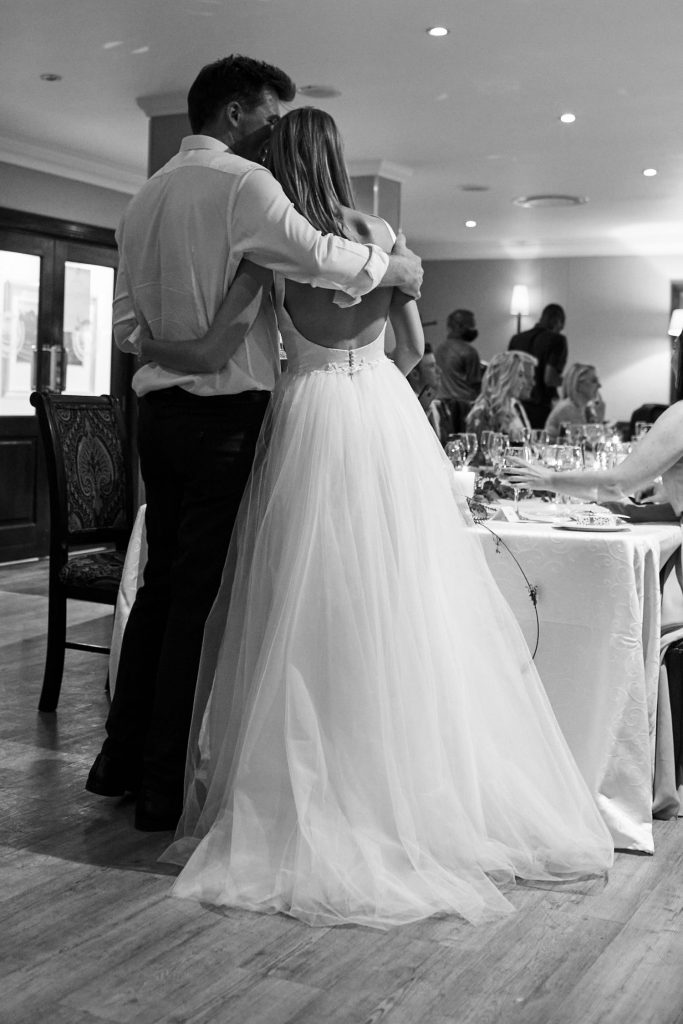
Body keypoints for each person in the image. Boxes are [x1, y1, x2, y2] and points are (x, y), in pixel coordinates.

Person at [141, 107, 612, 929]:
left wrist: (162, 350)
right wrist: (365, 359)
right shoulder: (385, 238)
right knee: (398, 598)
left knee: (299, 599)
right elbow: (411, 352)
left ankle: (308, 778)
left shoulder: (273, 250)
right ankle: (400, 774)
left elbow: (227, 343)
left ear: (280, 163)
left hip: (307, 413)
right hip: (381, 416)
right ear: (338, 159)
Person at [85, 55, 423, 832]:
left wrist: (160, 354)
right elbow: (320, 257)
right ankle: (162, 786)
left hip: (158, 418)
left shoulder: (141, 200)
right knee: (196, 601)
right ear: (235, 113)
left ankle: (119, 760)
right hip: (225, 420)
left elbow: (129, 325)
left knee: (161, 589)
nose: (271, 136)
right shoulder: (246, 186)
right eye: (266, 118)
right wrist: (394, 266)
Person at [508, 336, 683, 511]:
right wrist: (667, 493)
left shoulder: (679, 415)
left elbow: (614, 485)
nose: (671, 358)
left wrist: (548, 479)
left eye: (675, 347)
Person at [509, 303, 568, 428]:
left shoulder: (516, 339)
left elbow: (510, 373)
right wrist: (569, 380)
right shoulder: (557, 340)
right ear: (558, 322)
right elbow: (549, 379)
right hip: (542, 405)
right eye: (561, 326)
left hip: (517, 404)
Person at [465, 351, 536, 448]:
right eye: (520, 375)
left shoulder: (514, 408)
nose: (523, 381)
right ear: (506, 376)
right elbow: (481, 453)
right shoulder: (482, 411)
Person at [407, 343, 454, 445]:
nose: (439, 371)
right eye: (432, 366)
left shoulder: (438, 406)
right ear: (415, 374)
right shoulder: (407, 410)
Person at [544, 363, 605, 440]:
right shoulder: (567, 409)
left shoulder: (583, 408)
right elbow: (586, 442)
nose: (599, 385)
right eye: (594, 381)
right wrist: (599, 420)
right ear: (578, 385)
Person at [435, 309, 483, 405]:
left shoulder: (439, 348)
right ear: (458, 326)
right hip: (464, 404)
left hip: (441, 403)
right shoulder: (469, 351)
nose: (473, 330)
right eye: (471, 326)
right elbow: (476, 384)